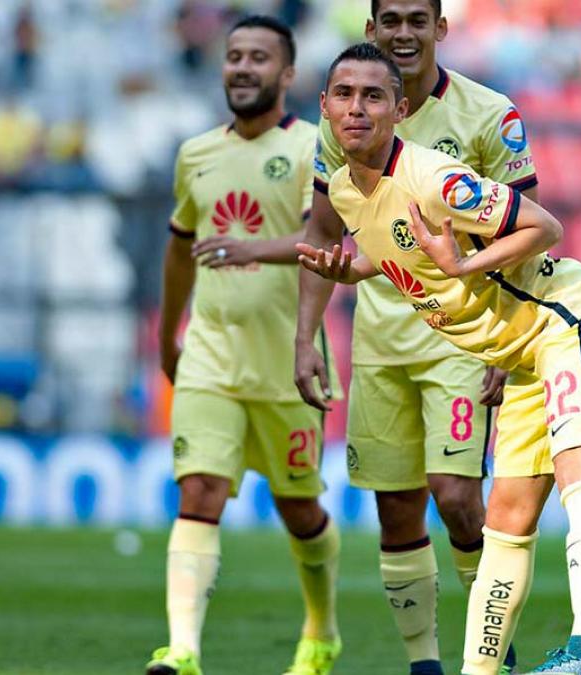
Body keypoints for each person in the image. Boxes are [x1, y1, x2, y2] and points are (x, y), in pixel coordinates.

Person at [300, 44, 581, 675]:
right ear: (324, 107)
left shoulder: (435, 178)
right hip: (518, 353)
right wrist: (356, 270)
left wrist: (463, 263)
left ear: (400, 111)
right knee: (506, 518)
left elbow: (542, 225)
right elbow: (401, 245)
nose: (356, 109)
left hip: (565, 317)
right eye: (343, 95)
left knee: (579, 473)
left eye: (373, 97)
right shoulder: (347, 189)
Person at [295, 3, 539, 672]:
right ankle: (425, 664)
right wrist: (304, 338)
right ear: (371, 29)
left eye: (417, 19)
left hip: (463, 337)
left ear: (441, 29)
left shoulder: (489, 114)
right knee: (397, 512)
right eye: (390, 19)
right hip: (379, 339)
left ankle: (494, 650)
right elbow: (323, 232)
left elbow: (524, 230)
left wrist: (511, 339)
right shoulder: (344, 114)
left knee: (457, 497)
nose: (403, 32)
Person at [146, 16, 342, 675]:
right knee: (198, 489)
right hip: (210, 353)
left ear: (287, 75)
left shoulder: (318, 150)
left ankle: (321, 629)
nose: (242, 67)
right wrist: (167, 333)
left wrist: (259, 252)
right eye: (234, 56)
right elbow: (179, 252)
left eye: (259, 57)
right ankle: (183, 649)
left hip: (289, 363)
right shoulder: (196, 153)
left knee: (299, 507)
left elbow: (331, 243)